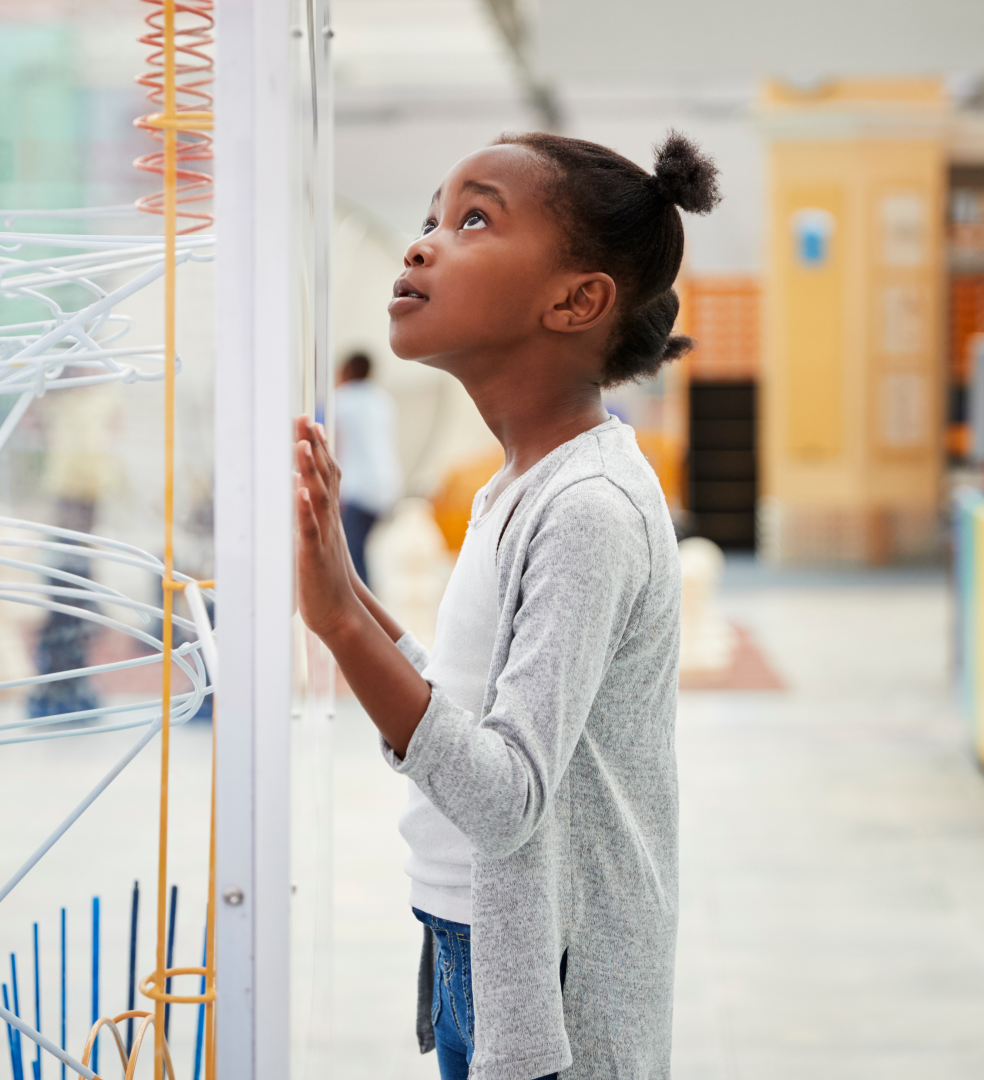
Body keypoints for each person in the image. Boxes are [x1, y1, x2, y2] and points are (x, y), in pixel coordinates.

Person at [293, 131, 719, 1080]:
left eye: (474, 219)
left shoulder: (588, 512)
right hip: (477, 950)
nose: (423, 244)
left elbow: (507, 798)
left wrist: (338, 623)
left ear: (576, 300)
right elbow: (467, 703)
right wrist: (340, 583)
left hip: (554, 1001)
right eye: (430, 218)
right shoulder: (520, 485)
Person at [332, 350, 403, 585]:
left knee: (352, 556)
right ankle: (369, 603)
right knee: (362, 552)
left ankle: (364, 609)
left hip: (357, 489)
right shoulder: (381, 399)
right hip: (387, 485)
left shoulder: (342, 400)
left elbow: (335, 445)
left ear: (347, 371)